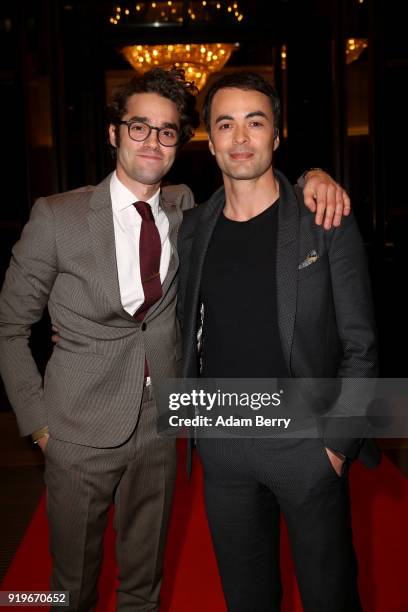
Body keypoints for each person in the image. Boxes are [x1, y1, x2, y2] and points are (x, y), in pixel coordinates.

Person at [0, 66, 349, 611]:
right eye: (139, 127)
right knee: (64, 589)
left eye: (166, 131)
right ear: (113, 133)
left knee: (145, 586)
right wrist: (41, 428)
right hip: (75, 433)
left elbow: (258, 180)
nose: (152, 141)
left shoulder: (187, 210)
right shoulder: (56, 217)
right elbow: (10, 329)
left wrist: (314, 177)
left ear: (181, 144)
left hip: (165, 431)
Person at [177, 71, 379, 612]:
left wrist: (337, 445)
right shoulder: (192, 228)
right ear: (210, 139)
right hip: (222, 440)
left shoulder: (323, 219)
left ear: (276, 134)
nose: (240, 138)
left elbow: (361, 344)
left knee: (330, 596)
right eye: (226, 124)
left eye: (255, 122)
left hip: (307, 443)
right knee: (247, 599)